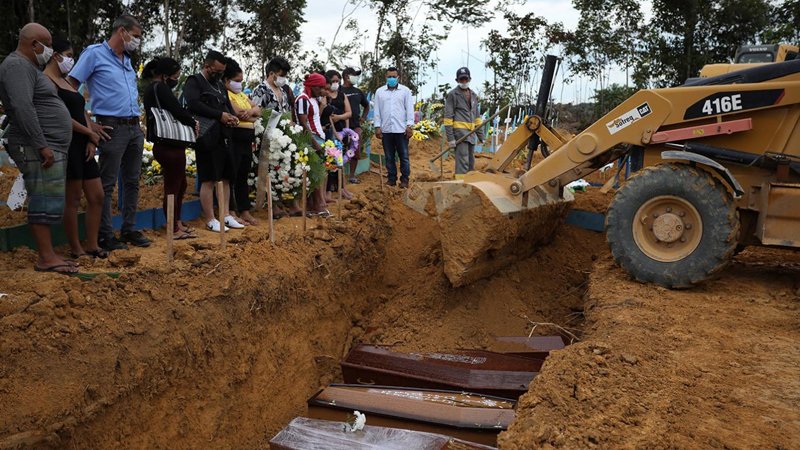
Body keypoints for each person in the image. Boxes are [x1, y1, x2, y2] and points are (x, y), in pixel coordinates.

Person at [68, 14, 150, 251]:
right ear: (121, 31)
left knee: (132, 180)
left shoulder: (126, 60)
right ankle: (105, 234)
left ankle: (129, 229)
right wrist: (88, 121)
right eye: (135, 36)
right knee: (107, 183)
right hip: (110, 126)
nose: (137, 41)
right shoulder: (94, 54)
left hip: (133, 126)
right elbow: (71, 88)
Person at [0, 23, 77, 274]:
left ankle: (50, 254)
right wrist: (41, 144)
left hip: (46, 144)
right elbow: (22, 107)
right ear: (34, 44)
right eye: (48, 45)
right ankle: (46, 257)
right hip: (36, 145)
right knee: (43, 197)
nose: (50, 51)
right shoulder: (16, 66)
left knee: (50, 198)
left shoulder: (28, 67)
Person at [43, 37, 106, 259]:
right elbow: (61, 117)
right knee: (73, 199)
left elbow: (82, 111)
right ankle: (76, 248)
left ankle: (92, 243)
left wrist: (91, 138)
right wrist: (88, 132)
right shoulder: (46, 81)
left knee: (97, 195)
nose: (71, 60)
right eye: (69, 56)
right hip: (66, 143)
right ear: (54, 55)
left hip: (83, 144)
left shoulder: (67, 82)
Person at [183, 50, 243, 232]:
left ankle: (225, 214)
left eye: (221, 71)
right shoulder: (194, 82)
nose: (218, 74)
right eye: (216, 70)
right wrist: (219, 115)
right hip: (206, 136)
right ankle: (210, 218)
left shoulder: (219, 85)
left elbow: (227, 106)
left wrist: (232, 117)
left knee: (226, 178)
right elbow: (193, 104)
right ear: (207, 66)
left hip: (224, 137)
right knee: (209, 178)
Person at [142, 57, 199, 240]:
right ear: (166, 76)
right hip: (169, 145)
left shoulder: (152, 88)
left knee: (179, 184)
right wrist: (192, 122)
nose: (177, 79)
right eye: (175, 76)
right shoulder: (160, 88)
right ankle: (173, 227)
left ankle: (176, 222)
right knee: (174, 187)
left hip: (166, 144)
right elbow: (176, 110)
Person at [224, 57, 261, 226]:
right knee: (233, 174)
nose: (240, 84)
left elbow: (258, 111)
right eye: (237, 81)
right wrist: (249, 114)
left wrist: (250, 112)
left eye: (241, 81)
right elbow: (236, 112)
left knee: (243, 175)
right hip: (235, 137)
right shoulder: (227, 94)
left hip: (247, 139)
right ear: (227, 80)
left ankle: (244, 210)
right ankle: (231, 210)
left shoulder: (242, 95)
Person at [294, 72, 331, 217]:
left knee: (319, 173)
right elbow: (304, 124)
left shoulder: (314, 100)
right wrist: (315, 144)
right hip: (311, 140)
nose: (323, 91)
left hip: (318, 138)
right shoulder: (302, 100)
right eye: (320, 87)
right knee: (315, 174)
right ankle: (318, 205)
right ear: (313, 86)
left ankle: (313, 205)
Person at [373, 67, 414, 188]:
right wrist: (377, 126)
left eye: (393, 76)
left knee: (404, 157)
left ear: (398, 77)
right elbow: (377, 111)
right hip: (386, 130)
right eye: (389, 76)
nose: (391, 79)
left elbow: (409, 110)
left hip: (401, 130)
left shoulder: (405, 91)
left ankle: (405, 179)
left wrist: (409, 125)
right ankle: (391, 179)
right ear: (386, 77)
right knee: (389, 157)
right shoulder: (380, 92)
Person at [445, 67, 484, 177]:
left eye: (465, 79)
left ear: (469, 79)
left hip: (471, 134)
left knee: (471, 162)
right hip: (460, 134)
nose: (464, 82)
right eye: (461, 80)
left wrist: (481, 136)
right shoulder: (453, 95)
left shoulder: (474, 95)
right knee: (463, 161)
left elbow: (477, 117)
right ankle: (459, 186)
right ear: (457, 80)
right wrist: (451, 138)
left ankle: (469, 185)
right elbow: (448, 118)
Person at [323, 69, 352, 201]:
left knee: (339, 162)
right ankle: (328, 191)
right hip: (329, 132)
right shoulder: (324, 95)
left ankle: (342, 188)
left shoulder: (341, 95)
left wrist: (340, 119)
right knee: (329, 162)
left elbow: (349, 113)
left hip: (341, 131)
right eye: (333, 81)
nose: (335, 83)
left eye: (337, 81)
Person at [341, 67, 369, 183]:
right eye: (354, 75)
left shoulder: (358, 92)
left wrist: (363, 118)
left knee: (355, 150)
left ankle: (352, 176)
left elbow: (367, 106)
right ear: (347, 76)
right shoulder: (338, 91)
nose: (356, 78)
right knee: (338, 151)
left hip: (355, 126)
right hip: (340, 127)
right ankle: (336, 179)